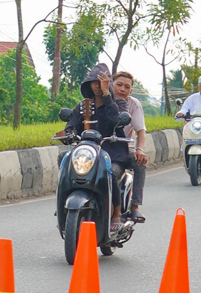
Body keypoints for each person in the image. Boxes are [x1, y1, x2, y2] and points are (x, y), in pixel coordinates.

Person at [61, 64, 135, 224]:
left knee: (111, 173)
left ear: (107, 84)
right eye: (93, 82)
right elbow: (72, 124)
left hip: (112, 153)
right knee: (64, 162)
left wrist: (107, 94)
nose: (96, 86)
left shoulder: (118, 104)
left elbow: (116, 120)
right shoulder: (83, 106)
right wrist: (68, 133)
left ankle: (116, 213)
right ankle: (62, 205)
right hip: (88, 154)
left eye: (100, 82)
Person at [111, 70, 148, 222]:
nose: (122, 89)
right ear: (111, 85)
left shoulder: (134, 104)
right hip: (103, 150)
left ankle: (135, 206)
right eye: (119, 85)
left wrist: (140, 149)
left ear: (131, 90)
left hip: (125, 150)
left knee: (140, 163)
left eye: (127, 87)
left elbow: (141, 130)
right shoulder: (102, 101)